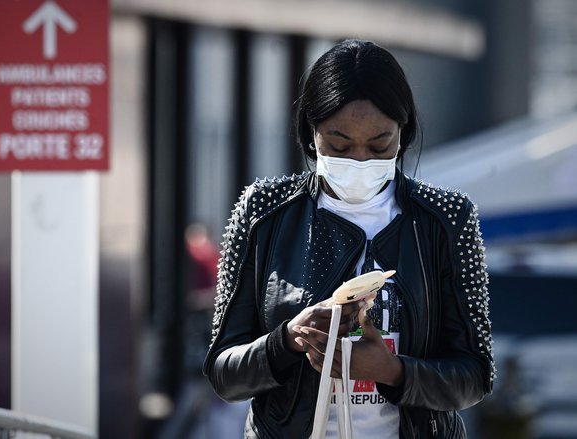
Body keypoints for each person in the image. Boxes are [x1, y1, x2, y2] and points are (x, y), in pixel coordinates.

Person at [203, 39, 494, 438]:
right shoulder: (264, 211)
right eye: (339, 144)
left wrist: (391, 370)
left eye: (380, 145)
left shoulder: (445, 218)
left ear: (403, 134)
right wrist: (288, 340)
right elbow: (223, 373)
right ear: (311, 133)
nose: (359, 160)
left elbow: (475, 376)